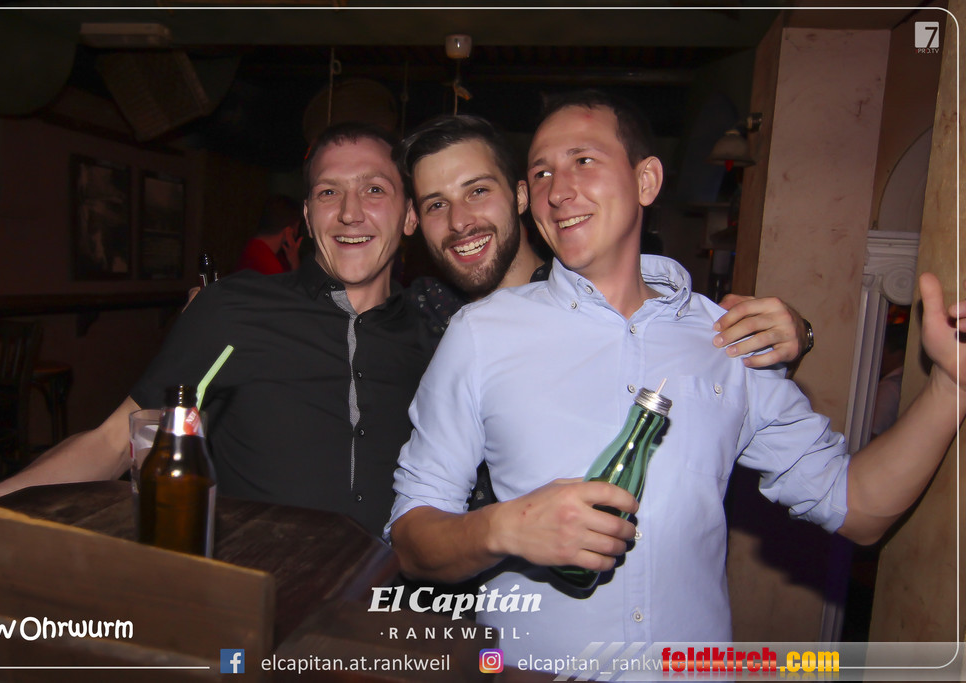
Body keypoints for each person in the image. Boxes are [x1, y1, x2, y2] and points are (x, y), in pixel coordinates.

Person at [386, 91, 966, 673]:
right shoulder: (482, 334)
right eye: (541, 173)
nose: (558, 190)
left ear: (646, 181)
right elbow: (412, 540)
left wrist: (950, 387)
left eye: (583, 160)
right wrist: (504, 528)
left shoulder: (725, 340)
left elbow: (855, 505)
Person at [0, 123, 429, 534]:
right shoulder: (233, 310)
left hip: (392, 593)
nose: (350, 212)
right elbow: (115, 441)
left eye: (374, 189)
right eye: (329, 192)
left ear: (410, 215)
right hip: (263, 587)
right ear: (307, 218)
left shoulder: (437, 332)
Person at [400, 114, 812, 364]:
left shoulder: (602, 303)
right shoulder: (419, 313)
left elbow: (702, 361)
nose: (459, 221)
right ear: (414, 220)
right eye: (436, 204)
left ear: (520, 197)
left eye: (478, 191)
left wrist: (789, 335)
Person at [234, 194, 304, 275]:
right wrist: (295, 264)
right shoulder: (270, 266)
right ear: (289, 231)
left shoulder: (251, 248)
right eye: (297, 226)